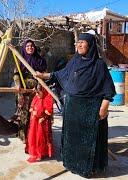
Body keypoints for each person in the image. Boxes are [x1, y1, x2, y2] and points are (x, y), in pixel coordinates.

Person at [35, 32, 116, 177]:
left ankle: (88, 168)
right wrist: (43, 75)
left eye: (82, 42)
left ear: (90, 45)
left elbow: (108, 89)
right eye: (78, 42)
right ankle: (72, 164)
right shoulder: (74, 62)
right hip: (72, 107)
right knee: (72, 139)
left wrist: (104, 107)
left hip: (90, 109)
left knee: (89, 141)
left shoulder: (99, 65)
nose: (78, 45)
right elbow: (60, 74)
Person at [13, 40, 47, 142]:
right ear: (24, 48)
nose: (30, 48)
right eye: (27, 46)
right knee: (23, 113)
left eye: (32, 46)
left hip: (36, 91)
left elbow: (44, 75)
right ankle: (24, 136)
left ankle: (34, 136)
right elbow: (16, 74)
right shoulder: (20, 60)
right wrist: (18, 85)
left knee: (36, 113)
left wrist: (39, 88)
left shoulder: (41, 60)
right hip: (23, 91)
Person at [26, 84, 53, 163]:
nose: (37, 94)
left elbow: (47, 112)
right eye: (36, 93)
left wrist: (38, 114)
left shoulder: (47, 98)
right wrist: (32, 110)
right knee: (33, 137)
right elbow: (31, 107)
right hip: (34, 122)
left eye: (39, 93)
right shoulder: (36, 97)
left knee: (40, 139)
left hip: (42, 123)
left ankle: (40, 153)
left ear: (43, 91)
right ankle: (34, 151)